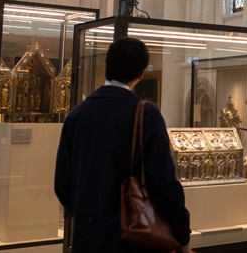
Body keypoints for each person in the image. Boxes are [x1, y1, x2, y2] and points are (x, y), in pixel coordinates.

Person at [54, 37, 191, 253]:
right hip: (132, 239)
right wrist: (182, 234)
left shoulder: (77, 114)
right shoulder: (146, 115)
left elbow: (62, 183)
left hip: (87, 238)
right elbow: (163, 183)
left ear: (107, 66)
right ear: (141, 73)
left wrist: (90, 214)